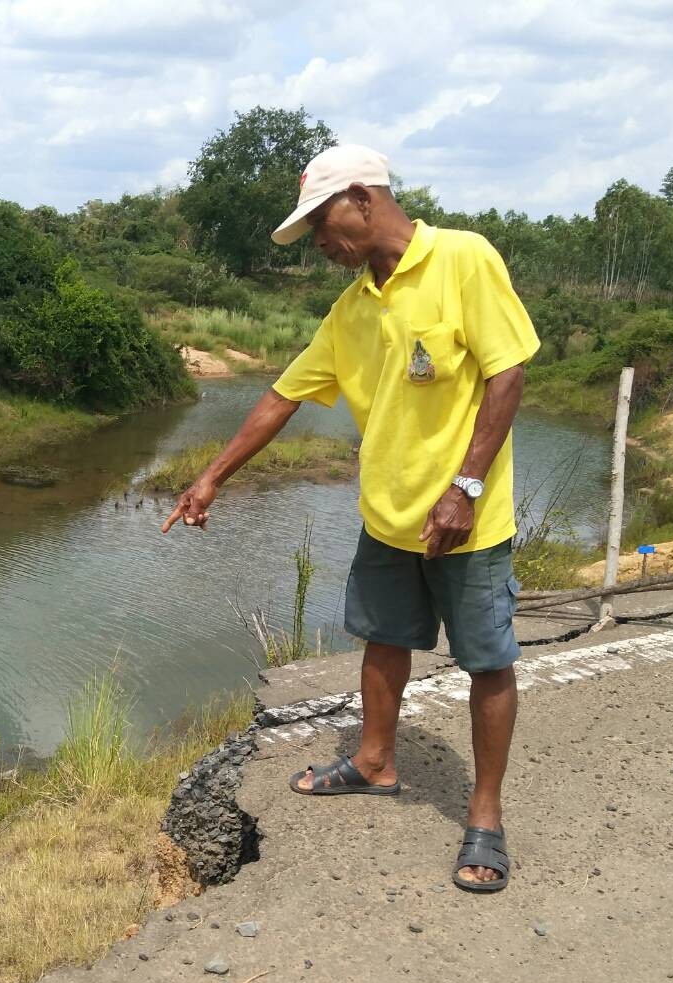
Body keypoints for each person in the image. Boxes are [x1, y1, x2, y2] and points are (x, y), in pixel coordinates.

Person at [160, 144, 539, 892]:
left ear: (363, 198)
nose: (320, 245)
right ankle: (373, 759)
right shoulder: (350, 309)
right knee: (381, 640)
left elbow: (506, 372)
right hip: (386, 516)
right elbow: (279, 398)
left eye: (323, 224)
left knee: (488, 661)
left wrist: (464, 485)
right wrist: (209, 477)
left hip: (465, 517)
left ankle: (485, 815)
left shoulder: (463, 258)